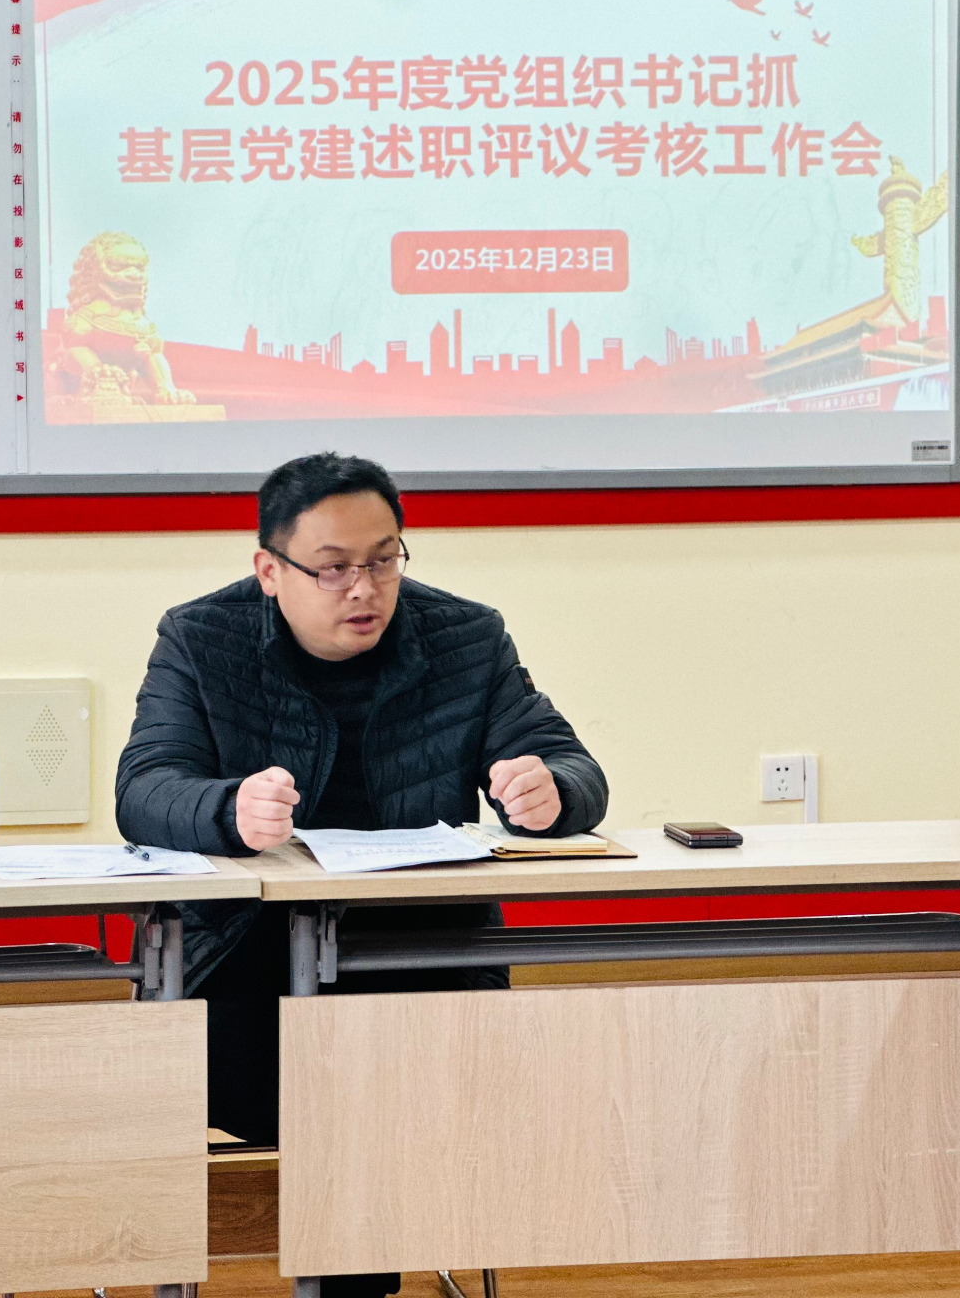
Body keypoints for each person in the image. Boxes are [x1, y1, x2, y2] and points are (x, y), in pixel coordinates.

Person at [115, 451, 607, 1298]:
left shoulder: (466, 637)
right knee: (325, 1090)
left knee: (381, 1083)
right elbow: (144, 787)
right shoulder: (200, 637)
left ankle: (353, 1276)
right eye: (334, 568)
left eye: (384, 560)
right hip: (243, 959)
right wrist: (227, 808)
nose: (365, 589)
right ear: (269, 570)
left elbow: (573, 766)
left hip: (423, 958)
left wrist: (550, 791)